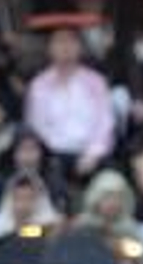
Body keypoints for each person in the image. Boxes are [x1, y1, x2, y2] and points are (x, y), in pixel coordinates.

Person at [24, 26, 114, 183]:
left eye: (71, 41)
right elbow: (36, 125)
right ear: (50, 48)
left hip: (91, 155)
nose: (65, 47)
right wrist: (50, 153)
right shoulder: (39, 85)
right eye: (59, 41)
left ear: (80, 47)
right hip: (52, 156)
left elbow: (104, 124)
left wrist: (92, 155)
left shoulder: (96, 81)